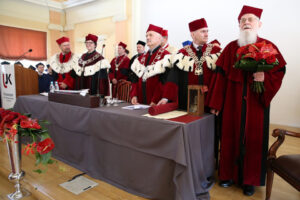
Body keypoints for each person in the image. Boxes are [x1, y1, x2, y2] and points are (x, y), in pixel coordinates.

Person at [209, 5, 286, 196]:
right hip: (232, 105)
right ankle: (227, 175)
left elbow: (279, 71)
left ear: (259, 24)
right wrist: (216, 104)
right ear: (238, 24)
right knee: (229, 137)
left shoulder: (268, 47)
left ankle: (249, 180)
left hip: (256, 106)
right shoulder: (229, 48)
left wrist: (264, 79)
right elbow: (220, 77)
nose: (246, 23)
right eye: (243, 20)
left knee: (253, 140)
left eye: (250, 19)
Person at [157, 18, 221, 111]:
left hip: (210, 104)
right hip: (187, 103)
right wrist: (166, 97)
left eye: (207, 31)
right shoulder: (182, 53)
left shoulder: (216, 52)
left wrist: (217, 103)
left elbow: (221, 80)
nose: (207, 34)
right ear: (193, 34)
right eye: (203, 31)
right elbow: (173, 77)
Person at [130, 24, 171, 105]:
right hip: (140, 102)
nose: (147, 38)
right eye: (146, 36)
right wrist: (134, 95)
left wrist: (156, 99)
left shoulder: (166, 56)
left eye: (151, 35)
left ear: (159, 38)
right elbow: (134, 79)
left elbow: (165, 81)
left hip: (157, 102)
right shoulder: (140, 58)